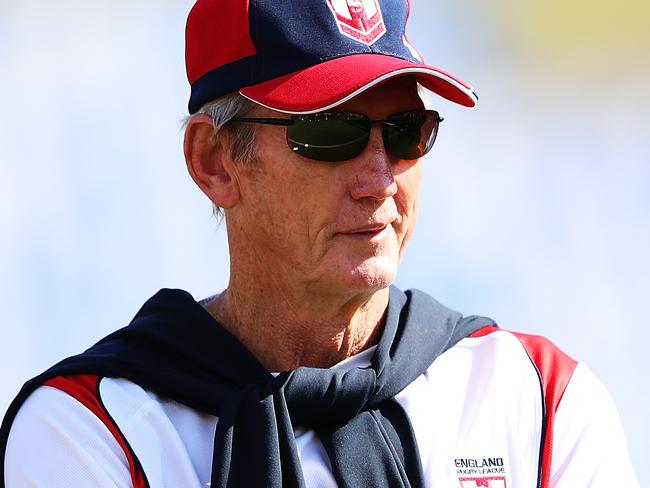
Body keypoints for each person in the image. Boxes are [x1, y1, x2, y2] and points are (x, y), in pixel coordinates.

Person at [0, 0, 638, 487]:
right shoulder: (90, 428)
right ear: (215, 162)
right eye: (332, 132)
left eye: (407, 130)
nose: (379, 178)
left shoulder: (542, 401)